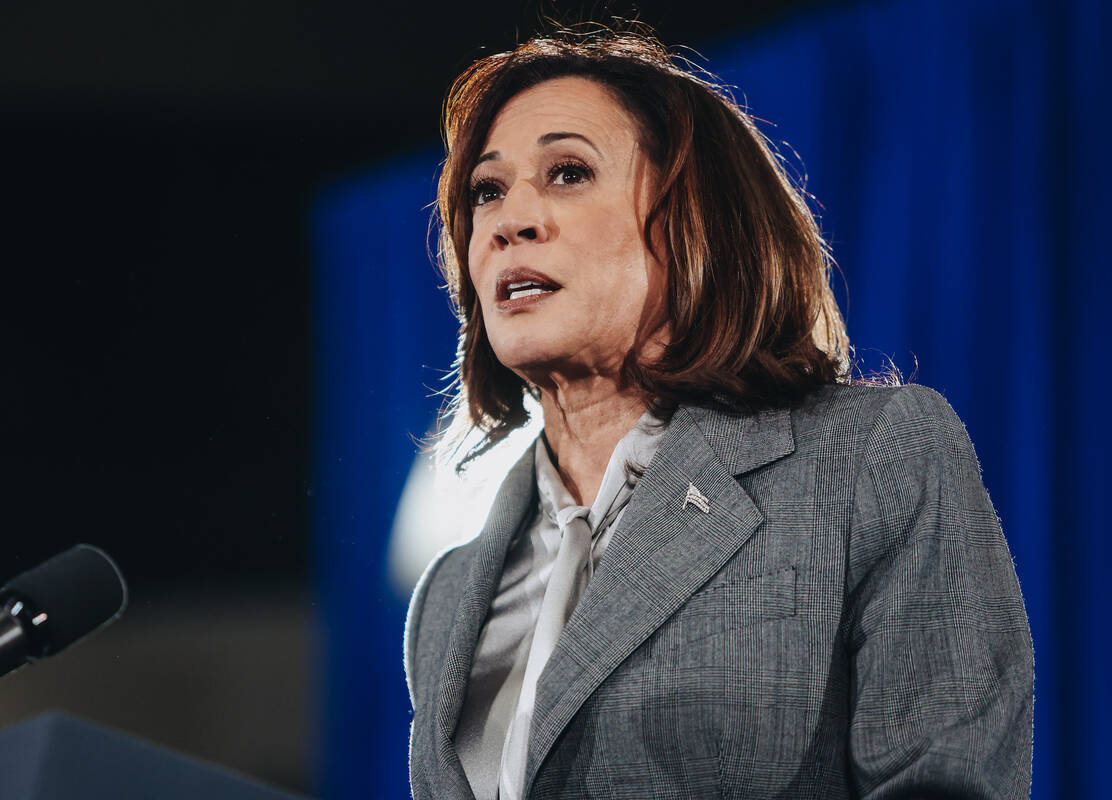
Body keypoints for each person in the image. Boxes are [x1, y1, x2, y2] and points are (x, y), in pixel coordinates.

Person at [403, 25, 1033, 800]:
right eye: (486, 191)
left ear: (694, 222)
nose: (509, 221)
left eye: (568, 173)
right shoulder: (449, 594)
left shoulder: (869, 462)